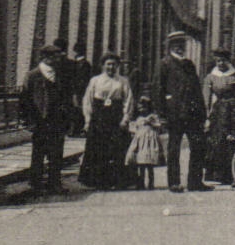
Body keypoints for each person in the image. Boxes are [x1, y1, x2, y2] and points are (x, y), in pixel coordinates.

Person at [158, 30, 211, 192]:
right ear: (170, 46)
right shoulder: (165, 64)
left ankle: (195, 182)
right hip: (174, 114)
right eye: (176, 45)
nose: (180, 48)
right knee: (174, 149)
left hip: (193, 114)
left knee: (198, 146)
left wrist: (203, 113)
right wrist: (162, 115)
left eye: (182, 44)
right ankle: (174, 182)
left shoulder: (189, 65)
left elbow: (196, 89)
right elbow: (158, 90)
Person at [21, 45, 75, 192]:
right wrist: (28, 121)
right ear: (47, 57)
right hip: (40, 120)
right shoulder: (32, 75)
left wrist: (68, 117)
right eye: (57, 57)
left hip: (57, 120)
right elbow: (25, 100)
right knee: (38, 152)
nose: (59, 59)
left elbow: (68, 98)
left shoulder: (61, 75)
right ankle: (36, 183)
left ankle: (54, 183)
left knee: (57, 152)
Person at [81, 51, 135, 189]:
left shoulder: (123, 81)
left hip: (115, 117)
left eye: (114, 65)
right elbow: (88, 100)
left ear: (117, 66)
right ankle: (98, 181)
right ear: (103, 65)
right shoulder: (95, 80)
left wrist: (125, 119)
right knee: (98, 149)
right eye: (108, 64)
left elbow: (128, 100)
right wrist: (88, 119)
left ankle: (117, 181)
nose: (111, 67)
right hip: (99, 117)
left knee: (117, 149)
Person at [126, 96, 166, 190]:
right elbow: (133, 128)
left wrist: (151, 123)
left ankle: (151, 183)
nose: (143, 109)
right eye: (141, 107)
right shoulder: (139, 118)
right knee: (141, 164)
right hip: (141, 141)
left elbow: (159, 126)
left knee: (150, 164)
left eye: (145, 107)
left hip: (150, 140)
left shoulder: (153, 117)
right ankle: (141, 183)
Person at [63, 40, 93, 138]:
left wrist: (75, 91)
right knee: (77, 110)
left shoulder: (79, 63)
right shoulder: (85, 64)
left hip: (77, 92)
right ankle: (75, 129)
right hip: (78, 91)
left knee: (77, 109)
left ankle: (75, 130)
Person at [201, 48, 235, 114]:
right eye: (218, 61)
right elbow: (206, 96)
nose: (221, 63)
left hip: (233, 108)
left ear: (229, 61)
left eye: (224, 60)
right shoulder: (210, 77)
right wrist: (206, 111)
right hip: (216, 107)